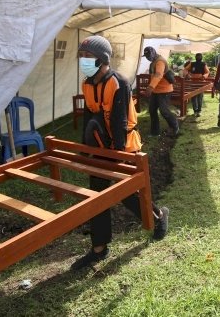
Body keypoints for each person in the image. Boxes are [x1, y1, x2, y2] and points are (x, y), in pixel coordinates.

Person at [71, 36, 169, 270]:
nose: (83, 60)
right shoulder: (87, 83)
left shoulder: (118, 83)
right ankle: (99, 248)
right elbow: (89, 116)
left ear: (102, 59)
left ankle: (158, 218)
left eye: (88, 56)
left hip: (124, 147)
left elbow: (119, 122)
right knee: (97, 196)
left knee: (127, 193)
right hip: (102, 147)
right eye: (81, 56)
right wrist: (87, 148)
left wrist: (115, 157)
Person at [142, 46, 180, 136]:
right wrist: (150, 87)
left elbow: (158, 75)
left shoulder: (160, 61)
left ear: (154, 53)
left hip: (164, 91)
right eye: (146, 56)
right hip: (156, 91)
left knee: (164, 111)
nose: (148, 58)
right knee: (152, 110)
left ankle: (175, 127)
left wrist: (150, 87)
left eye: (149, 55)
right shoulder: (153, 62)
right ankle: (155, 132)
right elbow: (152, 76)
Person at [184, 53, 210, 117]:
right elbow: (185, 69)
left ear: (201, 57)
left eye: (199, 56)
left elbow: (207, 72)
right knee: (193, 97)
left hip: (201, 82)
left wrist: (204, 76)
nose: (198, 57)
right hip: (193, 82)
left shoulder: (204, 64)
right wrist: (187, 75)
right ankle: (195, 111)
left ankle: (199, 111)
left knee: (200, 97)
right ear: (195, 57)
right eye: (197, 56)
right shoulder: (192, 63)